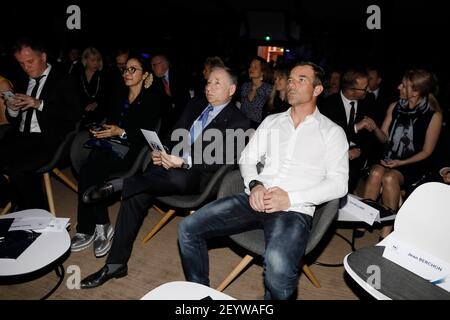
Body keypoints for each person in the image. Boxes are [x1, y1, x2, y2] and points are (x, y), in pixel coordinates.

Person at [177, 62, 349, 300]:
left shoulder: (332, 132)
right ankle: (201, 296)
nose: (291, 84)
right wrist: (255, 184)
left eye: (301, 79)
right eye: (289, 79)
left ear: (317, 89)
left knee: (277, 265)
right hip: (254, 199)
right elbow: (247, 158)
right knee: (188, 227)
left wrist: (290, 197)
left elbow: (339, 184)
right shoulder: (272, 122)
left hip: (293, 210)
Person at [79, 66, 251, 288]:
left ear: (232, 89)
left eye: (217, 83)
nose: (209, 87)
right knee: (136, 193)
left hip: (199, 176)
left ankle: (119, 185)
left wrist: (185, 161)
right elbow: (174, 132)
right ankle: (115, 265)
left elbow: (224, 159)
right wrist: (162, 150)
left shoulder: (239, 121)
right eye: (208, 82)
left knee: (172, 178)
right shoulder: (195, 104)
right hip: (169, 168)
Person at [70, 56, 163, 258]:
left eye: (133, 69)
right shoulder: (119, 94)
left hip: (133, 151)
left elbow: (146, 135)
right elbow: (109, 121)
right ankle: (98, 224)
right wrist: (103, 130)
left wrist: (120, 132)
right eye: (125, 70)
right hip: (111, 145)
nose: (127, 73)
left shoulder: (152, 99)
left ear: (145, 74)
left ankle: (89, 227)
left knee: (91, 167)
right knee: (90, 167)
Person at [360, 69, 442, 240]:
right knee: (375, 173)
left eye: (403, 86)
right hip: (391, 157)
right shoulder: (394, 107)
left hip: (414, 163)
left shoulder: (433, 115)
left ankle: (387, 228)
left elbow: (427, 151)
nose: (398, 87)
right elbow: (384, 138)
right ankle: (363, 219)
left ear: (416, 91)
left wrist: (400, 163)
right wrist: (375, 128)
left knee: (389, 178)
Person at [0, 38, 81, 211]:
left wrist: (39, 104)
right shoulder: (21, 80)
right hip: (20, 137)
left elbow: (73, 114)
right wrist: (13, 109)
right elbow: (14, 119)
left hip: (49, 139)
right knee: (12, 167)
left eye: (30, 61)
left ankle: (38, 216)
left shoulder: (64, 79)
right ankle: (15, 201)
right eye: (21, 63)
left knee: (18, 169)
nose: (26, 67)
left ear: (43, 57)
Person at [319, 70, 375, 194]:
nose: (368, 90)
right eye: (364, 88)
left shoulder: (368, 102)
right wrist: (356, 127)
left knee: (352, 173)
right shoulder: (329, 104)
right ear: (351, 90)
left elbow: (370, 137)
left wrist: (360, 151)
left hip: (357, 156)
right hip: (334, 153)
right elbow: (327, 136)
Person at [150, 54, 190, 136]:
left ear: (164, 64)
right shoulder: (156, 81)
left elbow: (185, 99)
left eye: (154, 65)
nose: (152, 68)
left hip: (185, 118)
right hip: (169, 120)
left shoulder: (180, 74)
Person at [239, 56, 273, 128]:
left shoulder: (268, 89)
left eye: (255, 67)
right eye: (250, 66)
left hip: (259, 127)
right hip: (242, 126)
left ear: (262, 72)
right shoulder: (245, 86)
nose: (251, 69)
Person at [77, 47, 108, 125]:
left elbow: (108, 96)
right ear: (85, 60)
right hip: (79, 115)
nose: (96, 63)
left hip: (98, 116)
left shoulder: (104, 75)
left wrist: (97, 103)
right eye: (93, 60)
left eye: (98, 60)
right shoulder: (78, 74)